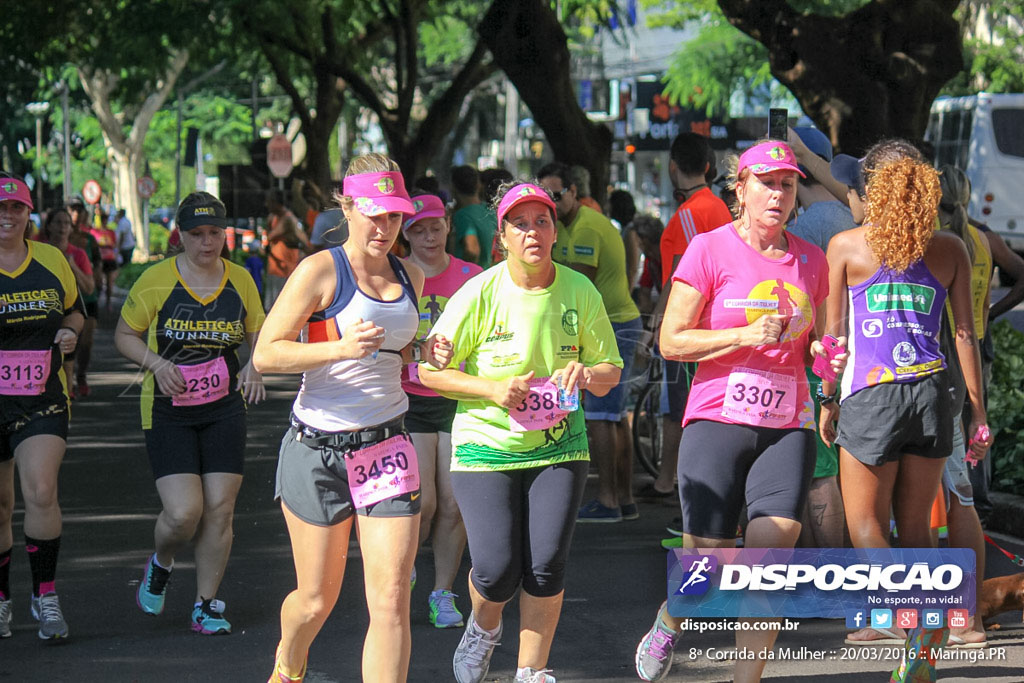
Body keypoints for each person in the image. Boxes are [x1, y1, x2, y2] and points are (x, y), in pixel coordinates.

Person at [633, 141, 842, 682]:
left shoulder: (810, 259)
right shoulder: (709, 249)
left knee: (767, 568)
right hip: (717, 418)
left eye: (787, 184)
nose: (777, 194)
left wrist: (824, 356)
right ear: (740, 188)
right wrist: (744, 334)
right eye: (767, 183)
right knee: (711, 567)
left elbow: (815, 339)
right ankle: (671, 618)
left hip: (785, 424)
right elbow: (671, 342)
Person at [252, 154, 452, 682]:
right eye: (374, 215)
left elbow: (394, 352)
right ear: (347, 206)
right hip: (316, 448)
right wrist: (337, 349)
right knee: (316, 600)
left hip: (386, 446)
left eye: (394, 217)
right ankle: (288, 665)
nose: (385, 228)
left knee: (389, 599)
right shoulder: (320, 269)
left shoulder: (411, 273)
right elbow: (266, 355)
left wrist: (424, 351)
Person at [419, 181, 623, 683]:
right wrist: (491, 389)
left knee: (547, 566)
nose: (532, 232)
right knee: (496, 569)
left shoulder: (580, 290)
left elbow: (610, 369)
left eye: (542, 222)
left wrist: (586, 375)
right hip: (486, 447)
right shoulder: (479, 292)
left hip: (560, 446)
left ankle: (530, 670)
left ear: (555, 232)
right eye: (520, 224)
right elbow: (430, 371)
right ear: (502, 237)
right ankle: (483, 629)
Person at [817, 140, 991, 680]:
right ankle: (925, 632)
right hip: (935, 395)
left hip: (871, 395)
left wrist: (826, 399)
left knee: (865, 521)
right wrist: (977, 414)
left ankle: (911, 617)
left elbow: (834, 338)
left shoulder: (847, 245)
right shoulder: (950, 249)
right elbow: (964, 335)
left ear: (872, 189)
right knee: (917, 522)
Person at [114, 192, 266, 635]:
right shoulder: (156, 280)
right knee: (184, 514)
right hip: (167, 409)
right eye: (197, 234)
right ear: (180, 236)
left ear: (225, 234)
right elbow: (126, 334)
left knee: (220, 508)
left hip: (223, 407)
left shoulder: (240, 279)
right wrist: (158, 365)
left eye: (215, 233)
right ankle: (161, 561)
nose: (207, 242)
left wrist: (254, 367)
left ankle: (205, 604)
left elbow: (260, 332)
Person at [0, 176, 83, 640]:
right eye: (0, 208)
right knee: (0, 505)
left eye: (15, 208)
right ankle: (1, 600)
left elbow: (74, 310)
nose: (6, 217)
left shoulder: (51, 260)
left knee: (40, 489)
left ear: (28, 213)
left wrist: (69, 333)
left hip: (42, 396)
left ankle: (45, 596)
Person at [537, 162, 643, 524]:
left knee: (601, 416)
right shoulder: (566, 224)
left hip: (612, 324)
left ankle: (609, 499)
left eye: (554, 195)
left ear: (572, 192)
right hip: (611, 321)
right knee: (614, 417)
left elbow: (576, 289)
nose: (548, 203)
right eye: (543, 195)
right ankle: (623, 498)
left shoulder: (585, 228)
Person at [401, 193, 483, 628]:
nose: (428, 236)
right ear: (404, 232)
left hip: (458, 398)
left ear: (448, 226)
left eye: (435, 226)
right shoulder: (396, 277)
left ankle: (442, 593)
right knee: (424, 503)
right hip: (408, 400)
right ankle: (401, 564)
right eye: (417, 229)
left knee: (454, 503)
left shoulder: (473, 277)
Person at [643, 133, 734, 504]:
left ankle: (678, 486)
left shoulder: (689, 214)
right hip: (720, 323)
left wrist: (655, 326)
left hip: (691, 326)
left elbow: (679, 277)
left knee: (681, 406)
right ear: (709, 167)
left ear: (673, 167)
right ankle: (680, 484)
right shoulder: (717, 208)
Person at [38, 209, 96, 392]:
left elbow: (89, 287)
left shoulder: (78, 255)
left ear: (71, 229)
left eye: (66, 223)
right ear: (49, 226)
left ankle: (71, 391)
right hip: (45, 312)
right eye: (58, 222)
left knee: (73, 356)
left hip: (76, 310)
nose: (62, 227)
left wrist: (72, 266)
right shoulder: (37, 251)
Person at [67, 197, 101, 399]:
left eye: (79, 209)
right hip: (65, 299)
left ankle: (81, 375)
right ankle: (67, 379)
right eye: (72, 209)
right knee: (69, 341)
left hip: (88, 297)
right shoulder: (55, 237)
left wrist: (97, 279)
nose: (76, 214)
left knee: (86, 341)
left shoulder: (90, 240)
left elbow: (97, 264)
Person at [264, 189, 312, 310]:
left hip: (286, 266)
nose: (266, 205)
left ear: (276, 203)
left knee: (280, 304)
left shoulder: (287, 219)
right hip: (275, 266)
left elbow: (271, 236)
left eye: (269, 202)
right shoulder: (274, 218)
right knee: (271, 303)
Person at [451, 165, 495, 269]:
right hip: (492, 274)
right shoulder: (490, 210)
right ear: (479, 185)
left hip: (473, 277)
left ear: (453, 188)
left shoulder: (462, 216)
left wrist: (466, 272)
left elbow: (472, 251)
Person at [90, 207, 119, 310]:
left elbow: (115, 245)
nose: (104, 221)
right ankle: (96, 301)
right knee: (98, 283)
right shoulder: (94, 232)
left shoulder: (111, 232)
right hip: (99, 260)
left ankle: (108, 302)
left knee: (110, 283)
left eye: (105, 219)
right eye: (103, 219)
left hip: (110, 259)